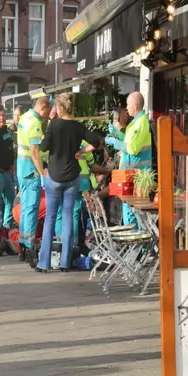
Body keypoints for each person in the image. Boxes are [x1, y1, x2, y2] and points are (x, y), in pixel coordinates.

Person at [37, 93, 100, 273]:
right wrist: (82, 150)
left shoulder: (53, 126)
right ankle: (65, 262)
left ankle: (44, 263)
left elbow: (43, 147)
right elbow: (96, 141)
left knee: (50, 218)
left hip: (54, 177)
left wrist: (46, 132)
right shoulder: (77, 127)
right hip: (73, 178)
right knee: (67, 218)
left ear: (60, 108)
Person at [105, 92, 152, 227]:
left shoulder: (140, 123)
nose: (127, 107)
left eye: (128, 104)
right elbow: (129, 141)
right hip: (131, 175)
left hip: (136, 176)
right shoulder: (136, 122)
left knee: (133, 214)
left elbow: (132, 148)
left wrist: (114, 141)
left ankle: (136, 244)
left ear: (135, 105)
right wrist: (118, 134)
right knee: (129, 211)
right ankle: (134, 243)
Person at [16, 96, 51, 266]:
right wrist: (42, 173)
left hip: (22, 170)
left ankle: (22, 246)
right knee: (31, 211)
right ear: (42, 107)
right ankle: (30, 249)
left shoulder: (24, 117)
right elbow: (34, 151)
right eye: (47, 111)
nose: (47, 115)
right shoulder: (35, 123)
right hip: (31, 172)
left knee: (25, 210)